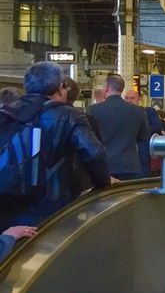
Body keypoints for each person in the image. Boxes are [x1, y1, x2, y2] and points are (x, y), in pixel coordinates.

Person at [0, 61, 111, 226]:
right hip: (51, 208)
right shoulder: (68, 116)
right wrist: (103, 182)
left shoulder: (6, 113)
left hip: (6, 208)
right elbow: (93, 153)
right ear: (60, 88)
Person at [88, 72, 151, 180]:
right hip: (130, 166)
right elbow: (143, 138)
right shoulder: (138, 111)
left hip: (103, 167)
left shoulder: (93, 110)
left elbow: (88, 139)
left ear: (107, 87)